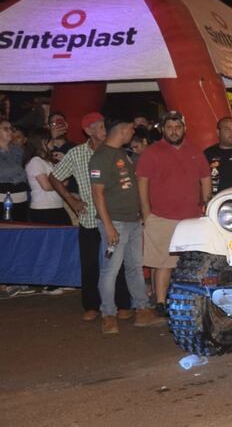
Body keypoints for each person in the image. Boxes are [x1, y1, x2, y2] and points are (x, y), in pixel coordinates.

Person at [50, 112, 132, 322]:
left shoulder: (117, 152)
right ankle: (91, 305)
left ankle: (123, 303)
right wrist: (72, 200)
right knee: (90, 264)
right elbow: (54, 176)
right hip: (89, 219)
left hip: (113, 217)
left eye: (106, 126)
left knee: (117, 262)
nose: (106, 131)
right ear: (89, 131)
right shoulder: (77, 153)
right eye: (102, 127)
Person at [90, 118, 165, 334]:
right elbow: (98, 193)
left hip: (132, 221)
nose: (133, 134)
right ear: (122, 130)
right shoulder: (101, 156)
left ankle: (142, 310)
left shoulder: (123, 154)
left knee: (135, 267)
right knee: (110, 270)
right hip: (115, 222)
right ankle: (108, 314)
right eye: (131, 131)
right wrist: (108, 226)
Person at [136, 111, 211, 315]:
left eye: (177, 127)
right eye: (169, 127)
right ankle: (160, 303)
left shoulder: (195, 151)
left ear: (184, 128)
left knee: (191, 262)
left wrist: (206, 206)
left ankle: (190, 300)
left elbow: (205, 178)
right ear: (162, 129)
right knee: (163, 263)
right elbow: (142, 183)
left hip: (191, 218)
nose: (174, 131)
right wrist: (146, 214)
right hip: (161, 217)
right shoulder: (151, 152)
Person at [24, 129, 70, 226]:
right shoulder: (35, 161)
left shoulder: (49, 161)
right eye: (51, 139)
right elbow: (46, 186)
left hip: (56, 206)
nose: (54, 142)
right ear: (43, 141)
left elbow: (66, 181)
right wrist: (61, 183)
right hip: (43, 209)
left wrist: (64, 162)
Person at [0, 118, 30, 221]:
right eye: (5, 129)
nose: (10, 132)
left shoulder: (18, 150)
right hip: (2, 198)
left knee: (20, 231)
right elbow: (4, 173)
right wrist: (19, 176)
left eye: (11, 129)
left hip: (22, 197)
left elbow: (23, 172)